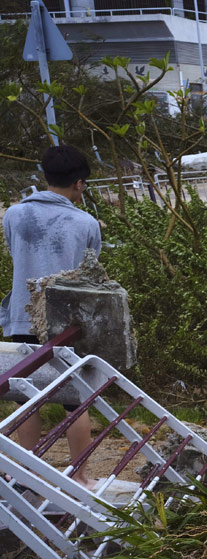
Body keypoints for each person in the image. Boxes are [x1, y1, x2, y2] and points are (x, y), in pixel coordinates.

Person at [2, 145, 102, 486]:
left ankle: (26, 475)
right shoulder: (85, 221)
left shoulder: (14, 215)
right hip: (67, 321)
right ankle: (81, 477)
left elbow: (14, 252)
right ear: (79, 183)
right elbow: (90, 270)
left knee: (25, 396)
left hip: (23, 315)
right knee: (75, 398)